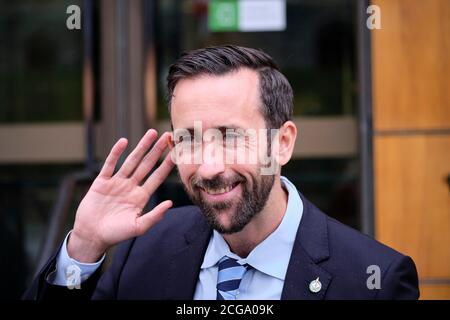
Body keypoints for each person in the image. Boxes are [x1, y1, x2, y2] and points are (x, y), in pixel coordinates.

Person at [24, 45, 419, 300]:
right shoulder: (143, 251)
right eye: (189, 139)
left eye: (230, 136)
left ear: (282, 143)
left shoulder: (374, 280)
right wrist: (83, 249)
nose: (210, 167)